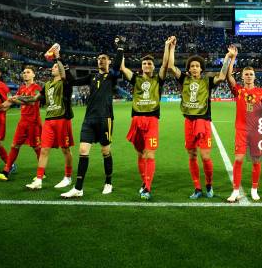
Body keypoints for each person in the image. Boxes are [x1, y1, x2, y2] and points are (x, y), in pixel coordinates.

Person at [168, 36, 231, 199]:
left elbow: (223, 76)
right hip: (188, 121)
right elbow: (170, 66)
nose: (194, 68)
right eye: (192, 66)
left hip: (203, 122)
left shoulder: (207, 81)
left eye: (197, 66)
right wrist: (172, 48)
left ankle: (209, 185)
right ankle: (197, 187)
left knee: (205, 156)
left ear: (201, 68)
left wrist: (227, 57)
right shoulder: (184, 79)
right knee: (192, 155)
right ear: (188, 68)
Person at [61, 38, 123, 198]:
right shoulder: (91, 77)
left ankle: (108, 182)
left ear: (108, 61)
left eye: (104, 58)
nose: (100, 61)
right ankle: (78, 188)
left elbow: (117, 66)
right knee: (82, 150)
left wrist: (120, 48)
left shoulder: (112, 76)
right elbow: (72, 81)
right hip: (89, 120)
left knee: (105, 150)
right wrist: (62, 62)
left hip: (105, 119)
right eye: (98, 59)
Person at [116, 38, 171, 200]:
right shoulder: (136, 79)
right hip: (136, 121)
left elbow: (166, 64)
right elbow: (121, 67)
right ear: (141, 67)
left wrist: (167, 46)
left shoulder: (158, 80)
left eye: (149, 64)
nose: (147, 65)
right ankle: (144, 181)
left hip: (152, 120)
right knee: (140, 154)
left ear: (154, 67)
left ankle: (147, 187)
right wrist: (120, 48)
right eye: (144, 64)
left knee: (150, 155)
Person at [25, 48, 75, 190]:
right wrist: (16, 100)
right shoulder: (47, 85)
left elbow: (64, 73)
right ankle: (38, 180)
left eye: (55, 67)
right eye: (52, 66)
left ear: (60, 69)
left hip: (62, 120)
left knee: (65, 150)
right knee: (44, 150)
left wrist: (57, 58)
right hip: (49, 120)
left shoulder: (65, 83)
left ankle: (67, 177)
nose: (52, 68)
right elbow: (34, 99)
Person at [225, 45, 262, 202]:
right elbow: (229, 76)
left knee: (256, 160)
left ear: (254, 77)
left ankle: (254, 189)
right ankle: (235, 190)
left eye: (251, 74)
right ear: (242, 77)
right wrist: (233, 57)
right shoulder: (238, 90)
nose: (249, 76)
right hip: (241, 130)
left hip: (256, 131)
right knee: (238, 160)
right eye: (246, 74)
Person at [0, 66, 43, 181]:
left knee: (36, 147)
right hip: (22, 122)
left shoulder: (37, 87)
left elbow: (32, 101)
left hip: (33, 122)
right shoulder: (21, 88)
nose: (25, 74)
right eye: (24, 72)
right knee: (14, 145)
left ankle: (41, 173)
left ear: (34, 75)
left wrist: (16, 98)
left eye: (28, 72)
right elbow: (11, 102)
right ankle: (6, 171)